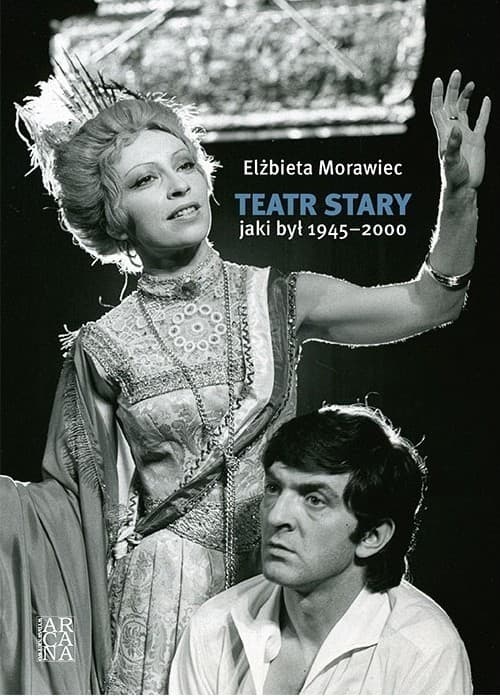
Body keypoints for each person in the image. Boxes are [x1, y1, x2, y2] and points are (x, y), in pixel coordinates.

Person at [0, 60, 488, 694]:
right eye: (146, 179)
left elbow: (432, 302)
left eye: (184, 164)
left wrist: (459, 196)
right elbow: (70, 511)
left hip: (289, 581)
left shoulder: (278, 296)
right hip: (163, 602)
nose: (178, 186)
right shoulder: (102, 346)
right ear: (113, 216)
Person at [169, 404, 472, 695]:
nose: (276, 517)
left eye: (314, 500)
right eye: (274, 488)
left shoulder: (424, 652)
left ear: (371, 536)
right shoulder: (216, 626)